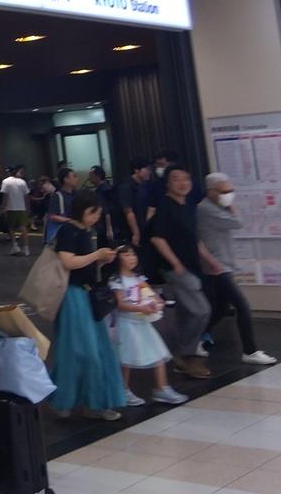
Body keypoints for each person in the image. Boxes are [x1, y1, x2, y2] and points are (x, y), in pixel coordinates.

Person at [47, 192, 125, 420]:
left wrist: (101, 260)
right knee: (80, 350)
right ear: (81, 211)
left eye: (98, 213)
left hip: (86, 293)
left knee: (96, 349)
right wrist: (96, 255)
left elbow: (83, 263)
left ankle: (92, 402)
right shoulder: (69, 231)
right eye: (93, 212)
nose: (96, 217)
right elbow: (67, 261)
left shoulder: (89, 231)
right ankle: (71, 400)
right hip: (72, 295)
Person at [198, 174, 277, 366]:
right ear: (211, 191)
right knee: (242, 306)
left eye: (230, 191)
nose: (229, 195)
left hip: (221, 264)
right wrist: (232, 207)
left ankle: (196, 337)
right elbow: (238, 222)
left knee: (220, 307)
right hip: (216, 266)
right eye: (224, 191)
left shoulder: (215, 207)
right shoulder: (206, 209)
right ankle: (250, 351)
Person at [147, 168, 214, 379]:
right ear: (167, 183)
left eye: (186, 178)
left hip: (191, 266)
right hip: (175, 269)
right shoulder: (165, 206)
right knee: (202, 310)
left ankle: (182, 356)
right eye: (176, 179)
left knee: (187, 312)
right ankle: (187, 354)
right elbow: (157, 238)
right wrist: (175, 262)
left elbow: (194, 239)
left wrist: (210, 260)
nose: (183, 183)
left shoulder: (188, 205)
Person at [109, 244, 188, 407]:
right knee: (125, 358)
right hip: (126, 324)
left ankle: (162, 388)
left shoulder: (138, 278)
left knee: (158, 353)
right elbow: (120, 304)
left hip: (142, 322)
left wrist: (157, 302)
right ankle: (123, 390)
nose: (132, 258)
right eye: (126, 255)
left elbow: (151, 294)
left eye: (133, 254)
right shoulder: (116, 280)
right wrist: (141, 308)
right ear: (117, 259)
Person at [117, 159, 152, 248]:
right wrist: (136, 233)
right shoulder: (126, 186)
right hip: (132, 230)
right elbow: (128, 211)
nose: (149, 172)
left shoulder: (144, 185)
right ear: (136, 170)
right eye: (147, 169)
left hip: (145, 227)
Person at [0, 165, 30, 256]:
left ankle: (15, 245)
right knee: (23, 227)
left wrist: (3, 207)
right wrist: (27, 207)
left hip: (11, 208)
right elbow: (26, 196)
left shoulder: (6, 181)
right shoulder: (22, 182)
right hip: (21, 207)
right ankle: (26, 248)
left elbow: (5, 196)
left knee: (11, 227)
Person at [44, 169, 77, 247]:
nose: (76, 179)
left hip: (73, 233)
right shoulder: (57, 196)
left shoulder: (76, 194)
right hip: (61, 235)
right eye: (74, 176)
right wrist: (71, 220)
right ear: (66, 179)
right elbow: (52, 216)